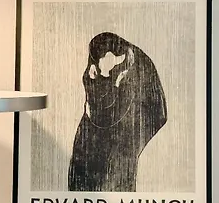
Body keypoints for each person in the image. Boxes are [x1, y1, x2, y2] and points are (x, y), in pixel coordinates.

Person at [68, 32, 167, 192]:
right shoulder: (95, 67)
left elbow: (157, 113)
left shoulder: (137, 70)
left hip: (121, 140)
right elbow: (94, 89)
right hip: (93, 139)